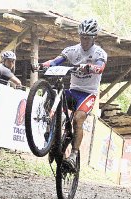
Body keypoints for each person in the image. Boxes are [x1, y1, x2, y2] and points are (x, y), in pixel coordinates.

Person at [36, 18, 107, 169]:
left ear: (94, 38)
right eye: (82, 37)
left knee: (78, 119)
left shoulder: (99, 53)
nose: (84, 40)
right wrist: (42, 65)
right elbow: (56, 61)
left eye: (87, 38)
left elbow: (100, 67)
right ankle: (52, 137)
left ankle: (74, 154)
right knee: (51, 99)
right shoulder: (73, 50)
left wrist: (90, 67)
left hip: (88, 94)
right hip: (73, 90)